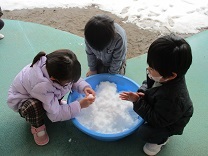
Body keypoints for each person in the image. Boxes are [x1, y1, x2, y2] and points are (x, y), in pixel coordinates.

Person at [120, 34, 193, 155]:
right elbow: (148, 83)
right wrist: (141, 92)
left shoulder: (174, 99)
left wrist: (137, 102)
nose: (148, 69)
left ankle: (162, 140)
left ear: (172, 75)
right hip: (160, 105)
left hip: (170, 121)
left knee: (145, 132)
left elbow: (158, 120)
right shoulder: (161, 75)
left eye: (152, 68)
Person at [7, 49, 96, 146]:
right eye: (68, 81)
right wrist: (80, 105)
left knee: (59, 89)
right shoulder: (42, 86)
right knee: (33, 107)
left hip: (43, 94)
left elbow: (72, 79)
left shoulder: (56, 67)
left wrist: (84, 87)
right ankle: (38, 127)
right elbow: (55, 116)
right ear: (53, 78)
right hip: (22, 100)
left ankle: (53, 104)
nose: (70, 83)